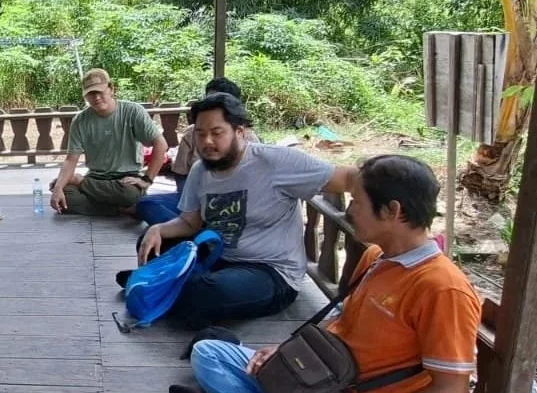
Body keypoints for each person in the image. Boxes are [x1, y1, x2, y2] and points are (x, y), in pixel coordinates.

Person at [169, 155, 480, 393]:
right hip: (314, 381)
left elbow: (450, 392)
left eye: (358, 203)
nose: (350, 212)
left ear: (393, 211)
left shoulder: (442, 289)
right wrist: (286, 353)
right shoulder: (376, 256)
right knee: (207, 354)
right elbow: (343, 321)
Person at [134, 92, 350, 329]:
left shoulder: (276, 162)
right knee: (150, 243)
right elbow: (189, 223)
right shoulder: (200, 171)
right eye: (200, 134)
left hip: (270, 272)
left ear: (240, 131)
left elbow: (347, 177)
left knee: (205, 291)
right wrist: (157, 229)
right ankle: (173, 288)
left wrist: (390, 192)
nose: (207, 142)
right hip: (217, 257)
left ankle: (166, 287)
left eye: (217, 133)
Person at [134, 77, 258, 225]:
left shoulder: (248, 138)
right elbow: (181, 174)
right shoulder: (192, 133)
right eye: (210, 100)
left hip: (237, 202)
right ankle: (195, 231)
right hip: (197, 201)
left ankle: (194, 231)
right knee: (146, 204)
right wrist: (192, 203)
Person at [51, 68, 170, 217]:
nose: (96, 97)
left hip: (126, 180)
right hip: (96, 177)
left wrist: (147, 179)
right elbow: (71, 159)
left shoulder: (133, 111)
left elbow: (161, 144)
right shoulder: (80, 120)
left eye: (100, 91)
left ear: (111, 89)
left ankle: (84, 186)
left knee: (129, 194)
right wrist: (58, 188)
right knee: (62, 191)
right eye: (91, 93)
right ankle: (120, 209)